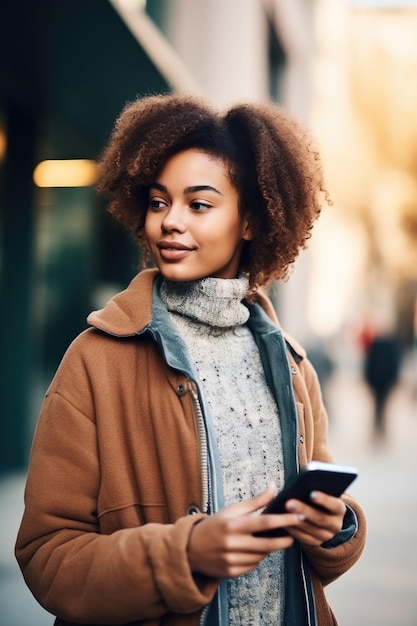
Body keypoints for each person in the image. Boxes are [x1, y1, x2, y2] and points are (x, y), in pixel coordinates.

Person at [15, 93, 366, 626]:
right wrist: (186, 555)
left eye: (198, 205)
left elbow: (313, 562)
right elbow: (47, 557)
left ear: (250, 221)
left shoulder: (291, 365)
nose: (170, 222)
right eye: (159, 202)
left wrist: (334, 525)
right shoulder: (95, 360)